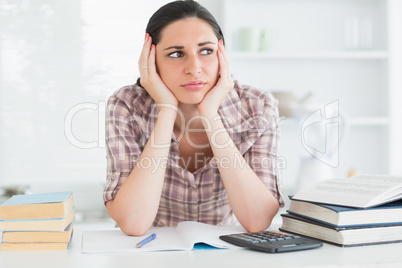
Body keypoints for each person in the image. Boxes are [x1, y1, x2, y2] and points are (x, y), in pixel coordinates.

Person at [103, 0, 284, 236]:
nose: (194, 67)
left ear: (222, 56)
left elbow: (257, 220)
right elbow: (134, 223)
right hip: (148, 253)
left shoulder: (258, 106)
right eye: (177, 54)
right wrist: (167, 109)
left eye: (206, 51)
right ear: (151, 60)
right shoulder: (126, 105)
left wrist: (210, 115)